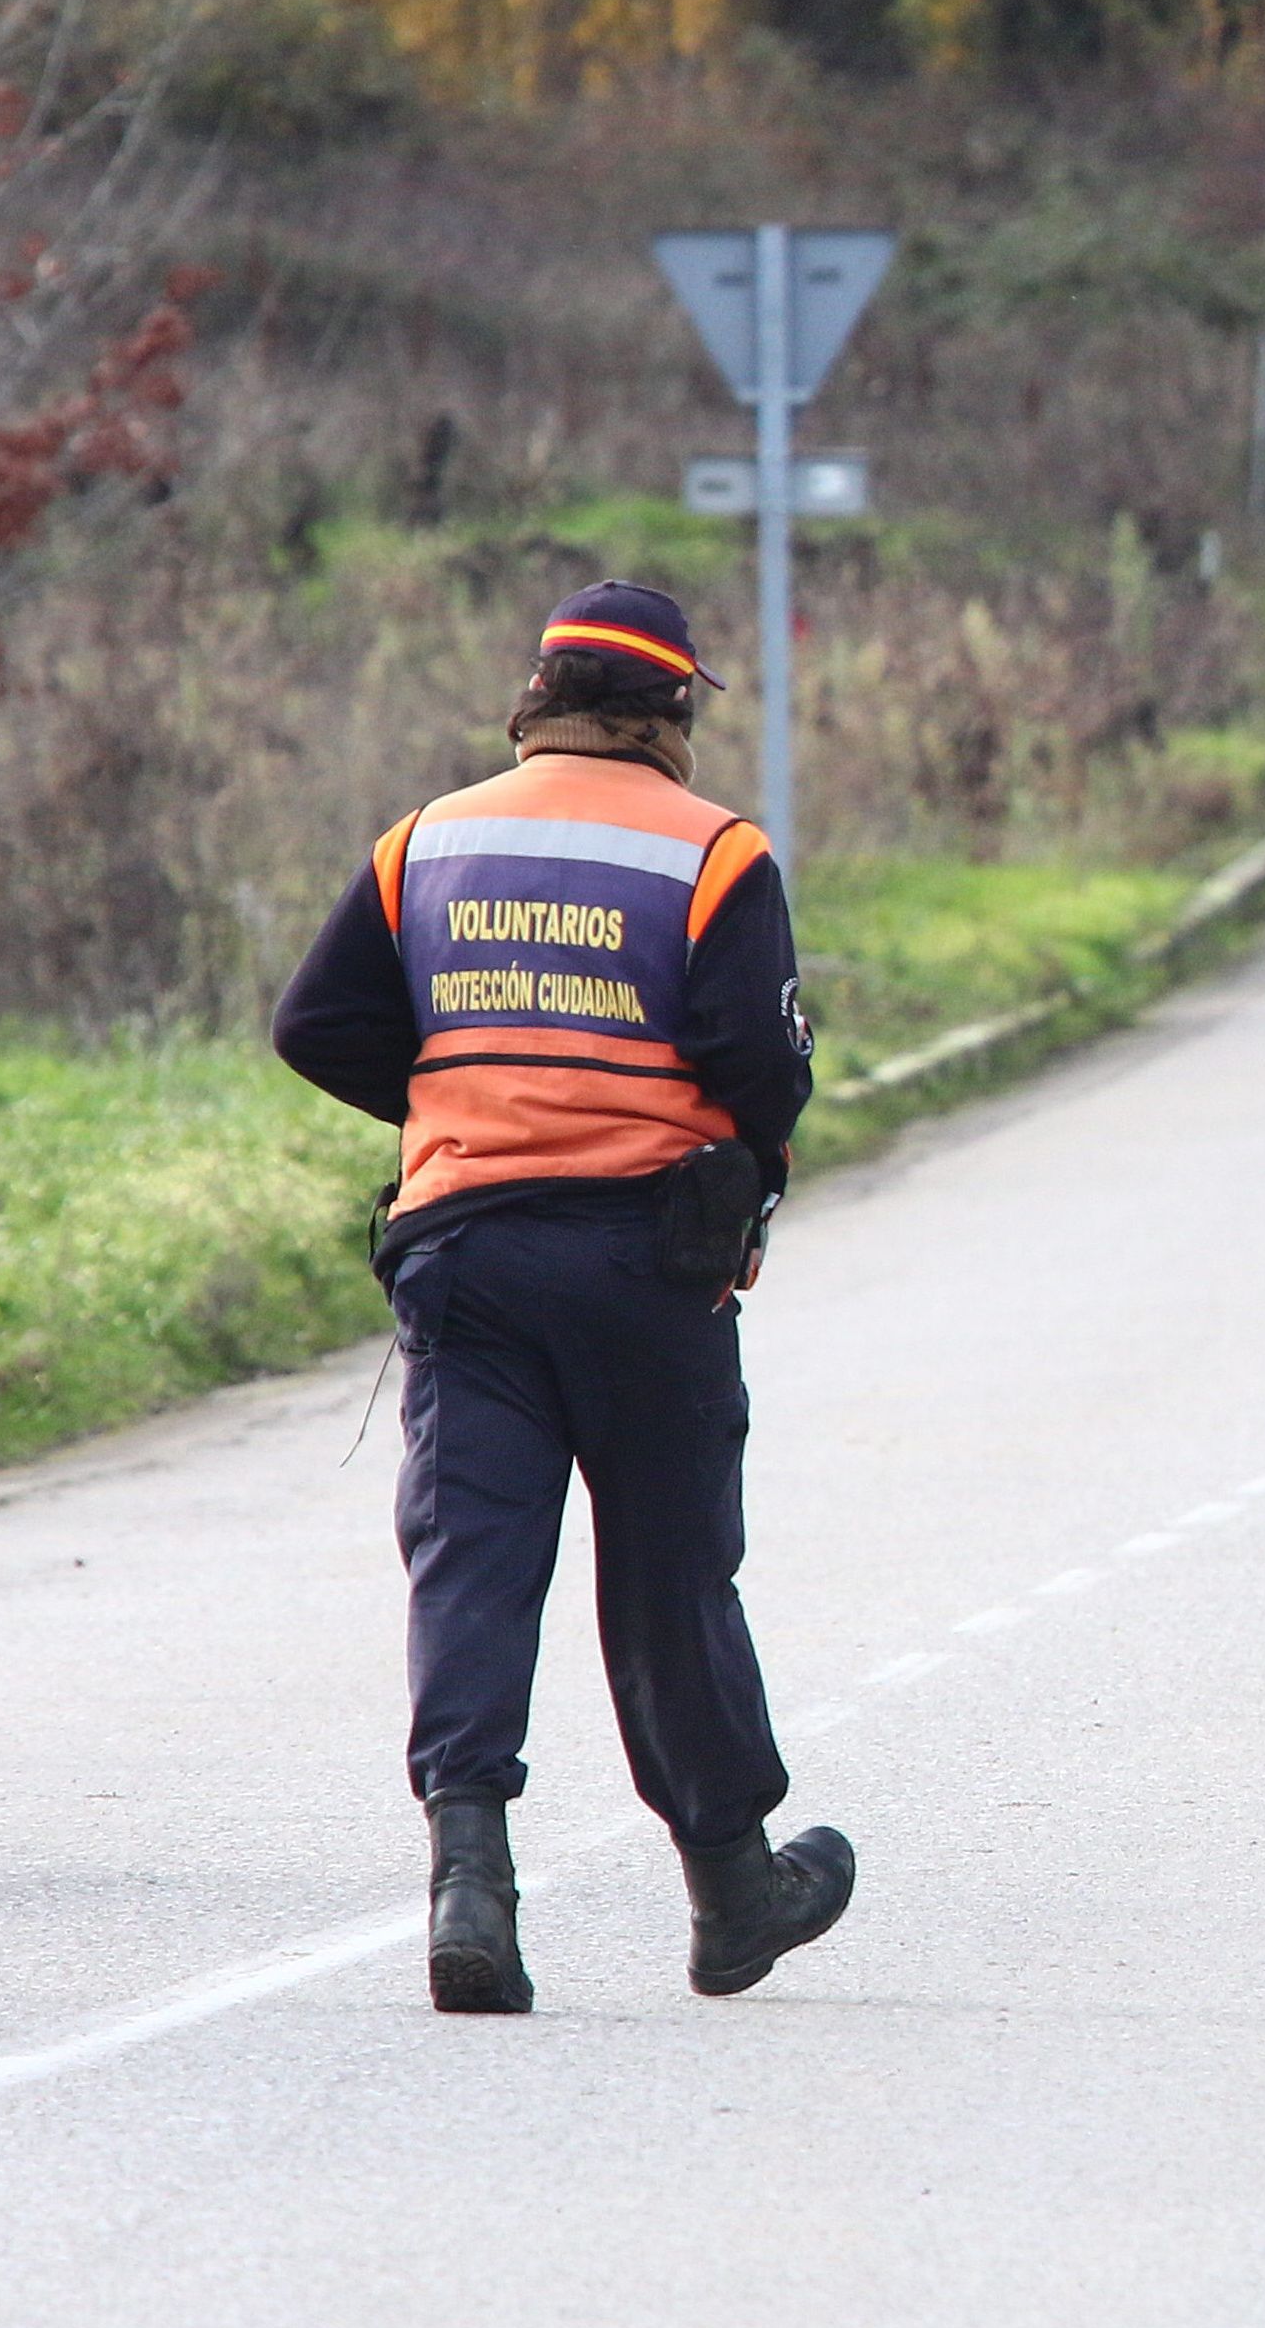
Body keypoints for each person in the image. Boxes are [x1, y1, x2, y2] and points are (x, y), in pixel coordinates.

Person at [269, 581, 855, 2014]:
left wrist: (469, 1102)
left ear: (538, 697)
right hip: (647, 1267)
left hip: (466, 1253)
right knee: (669, 1571)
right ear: (672, 712)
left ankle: (470, 1883)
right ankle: (731, 1892)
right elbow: (758, 1065)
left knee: (473, 1555)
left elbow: (317, 1022)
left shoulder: (429, 839)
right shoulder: (713, 852)